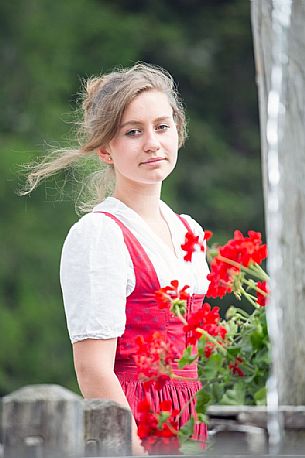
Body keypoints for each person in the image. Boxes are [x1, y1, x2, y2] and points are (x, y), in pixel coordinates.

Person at [24, 63, 210, 455]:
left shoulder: (188, 230)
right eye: (133, 132)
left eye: (162, 126)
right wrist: (134, 450)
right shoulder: (100, 235)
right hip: (133, 427)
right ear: (106, 149)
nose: (152, 143)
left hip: (192, 422)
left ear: (178, 131)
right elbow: (93, 370)